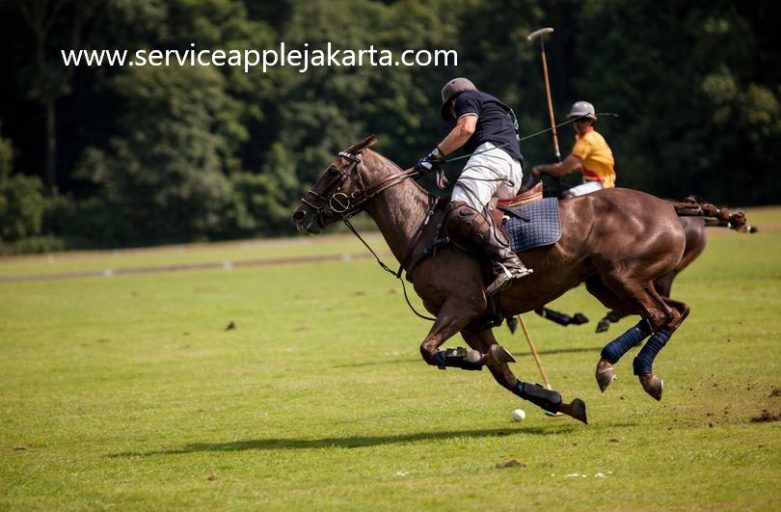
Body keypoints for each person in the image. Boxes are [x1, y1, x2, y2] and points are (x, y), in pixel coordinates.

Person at [415, 77, 532, 296]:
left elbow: (465, 129)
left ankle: (510, 262)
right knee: (481, 220)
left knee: (459, 208)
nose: (454, 115)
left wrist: (433, 156)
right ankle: (492, 270)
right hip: (513, 169)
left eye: (452, 112)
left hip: (492, 158)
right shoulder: (495, 106)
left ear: (452, 102)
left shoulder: (465, 98)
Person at [532, 101, 615, 197]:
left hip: (599, 184)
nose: (578, 123)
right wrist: (564, 169)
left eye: (583, 120)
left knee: (568, 196)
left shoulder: (587, 140)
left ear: (591, 121)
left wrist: (540, 168)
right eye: (575, 119)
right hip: (595, 183)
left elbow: (560, 170)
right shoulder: (594, 137)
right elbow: (579, 165)